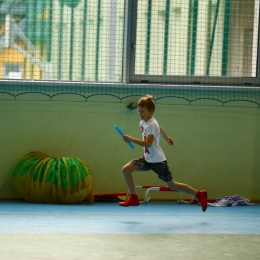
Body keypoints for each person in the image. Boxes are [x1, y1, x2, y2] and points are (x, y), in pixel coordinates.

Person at [119, 94, 208, 212]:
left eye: (142, 111)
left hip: (158, 161)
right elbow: (159, 128)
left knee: (172, 185)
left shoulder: (151, 124)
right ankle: (134, 198)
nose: (140, 114)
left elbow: (148, 144)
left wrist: (131, 139)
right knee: (126, 170)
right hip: (147, 159)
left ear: (151, 111)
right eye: (139, 111)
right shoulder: (144, 122)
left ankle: (199, 194)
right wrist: (166, 138)